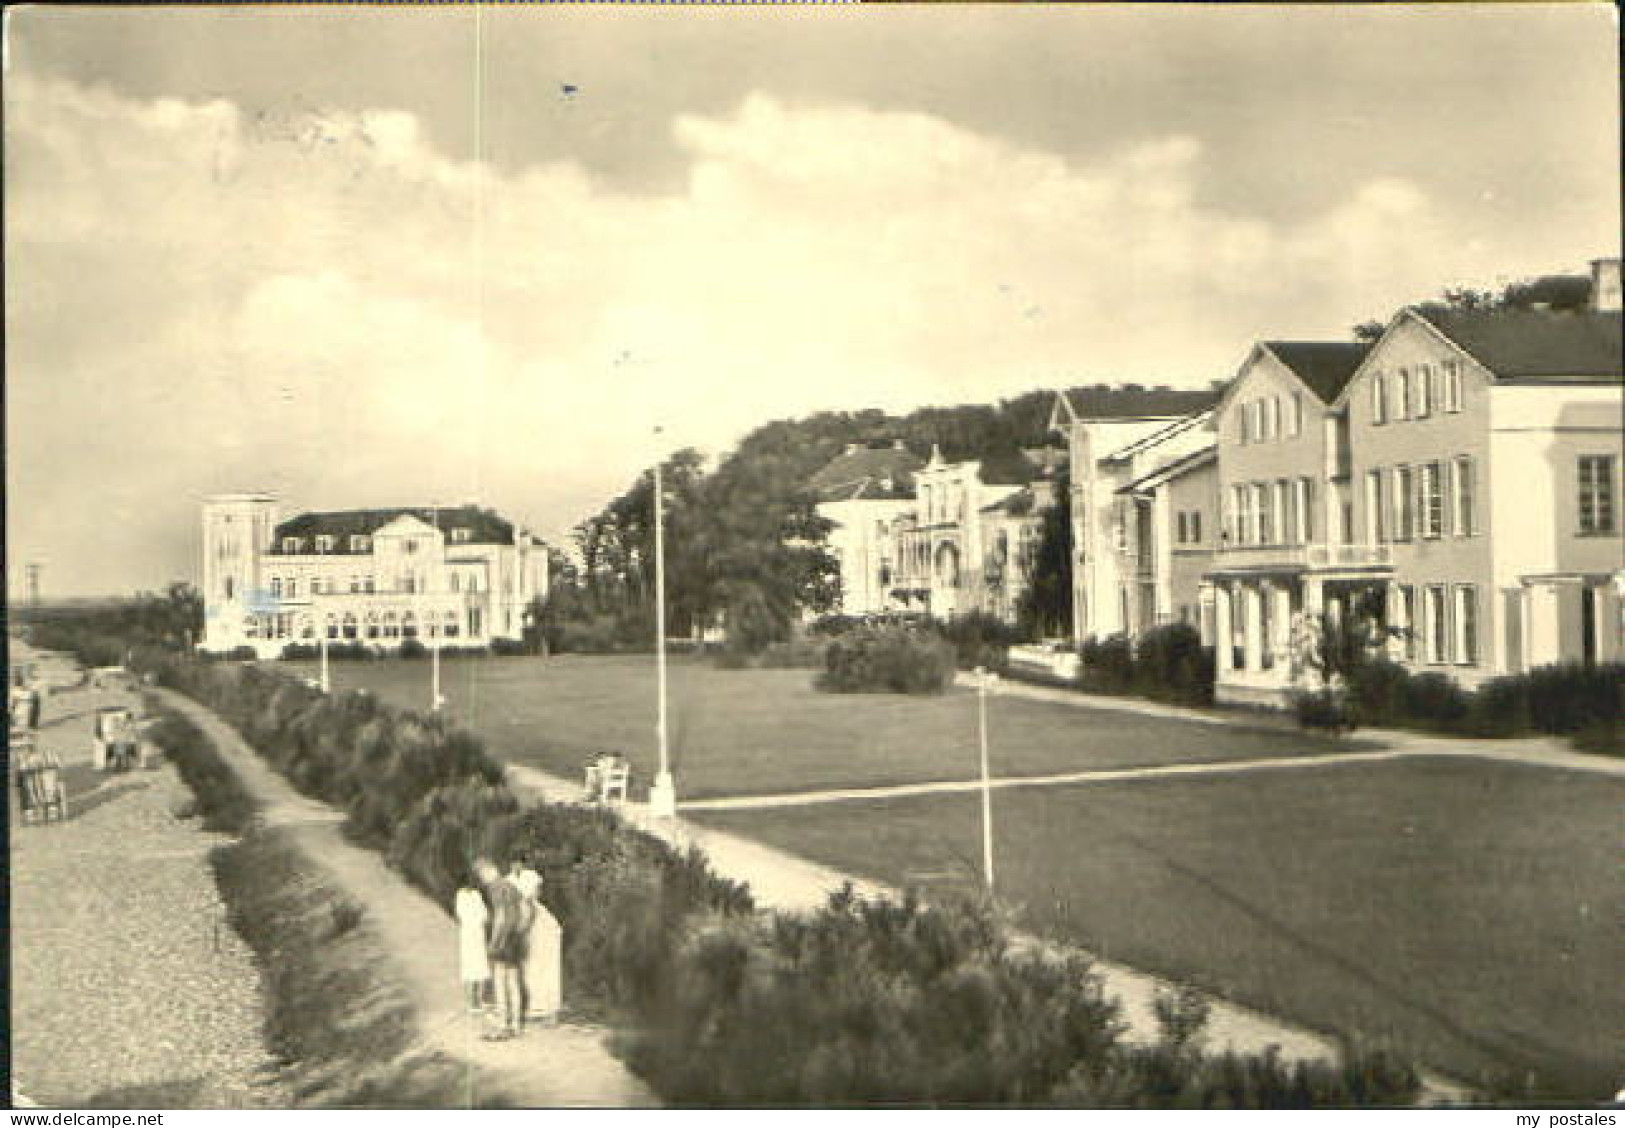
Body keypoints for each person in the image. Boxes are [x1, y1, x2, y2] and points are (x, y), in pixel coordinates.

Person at [474, 856, 531, 1041]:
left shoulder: (496, 887)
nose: (482, 879)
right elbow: (527, 909)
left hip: (504, 940)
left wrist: (495, 941)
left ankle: (502, 1025)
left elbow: (500, 916)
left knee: (500, 982)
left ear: (488, 871)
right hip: (515, 939)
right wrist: (521, 930)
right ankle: (516, 1026)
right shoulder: (511, 885)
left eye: (481, 874)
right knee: (514, 982)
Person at [454, 875, 491, 1015]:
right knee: (470, 968)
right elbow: (462, 915)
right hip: (468, 935)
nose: (471, 884)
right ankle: (470, 1003)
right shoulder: (461, 895)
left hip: (478, 934)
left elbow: (485, 914)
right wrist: (476, 920)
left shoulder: (476, 894)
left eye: (472, 882)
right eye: (468, 882)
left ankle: (480, 1001)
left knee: (481, 966)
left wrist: (479, 920)